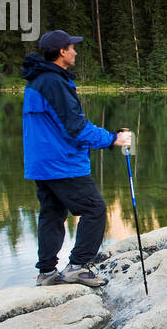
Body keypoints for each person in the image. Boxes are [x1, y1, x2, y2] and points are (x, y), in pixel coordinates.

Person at [21, 29, 131, 286]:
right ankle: (78, 266)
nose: (75, 51)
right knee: (94, 210)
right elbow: (77, 127)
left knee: (52, 214)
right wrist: (112, 139)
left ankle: (47, 273)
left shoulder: (37, 79)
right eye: (72, 47)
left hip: (42, 163)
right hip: (62, 162)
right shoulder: (54, 82)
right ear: (62, 52)